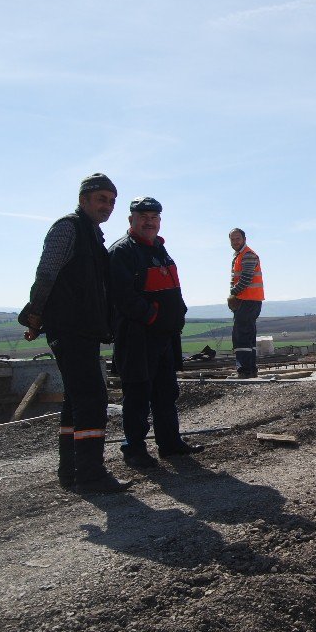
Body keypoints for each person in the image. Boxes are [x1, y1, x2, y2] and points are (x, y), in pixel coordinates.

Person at [20, 173, 132, 493]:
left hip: (82, 328)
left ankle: (71, 471)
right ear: (83, 200)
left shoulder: (92, 235)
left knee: (76, 400)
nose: (107, 206)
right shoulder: (68, 228)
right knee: (91, 397)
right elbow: (47, 272)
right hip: (68, 327)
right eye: (101, 199)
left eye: (112, 201)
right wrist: (36, 314)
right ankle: (91, 474)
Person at [109, 197, 203, 467]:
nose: (150, 222)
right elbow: (122, 297)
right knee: (138, 392)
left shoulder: (159, 249)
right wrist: (152, 316)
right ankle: (135, 450)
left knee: (166, 391)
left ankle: (170, 444)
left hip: (164, 335)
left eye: (154, 217)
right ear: (131, 220)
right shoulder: (122, 251)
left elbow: (172, 288)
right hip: (138, 336)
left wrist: (178, 313)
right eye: (144, 217)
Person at [227, 228, 264, 377]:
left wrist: (233, 293)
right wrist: (233, 292)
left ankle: (244, 369)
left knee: (241, 335)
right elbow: (235, 279)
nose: (235, 242)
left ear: (244, 239)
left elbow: (245, 279)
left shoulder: (247, 255)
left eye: (238, 239)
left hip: (248, 300)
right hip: (248, 300)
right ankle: (251, 369)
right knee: (248, 335)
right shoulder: (239, 256)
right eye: (232, 239)